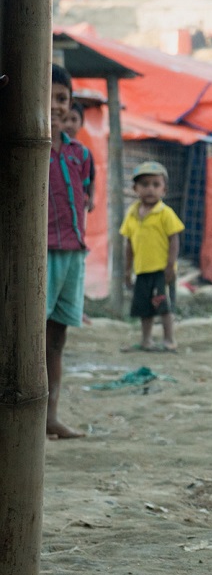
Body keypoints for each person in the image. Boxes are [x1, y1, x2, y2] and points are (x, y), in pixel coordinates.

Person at [46, 64, 94, 440]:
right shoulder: (22, 143)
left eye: (62, 98)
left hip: (73, 253)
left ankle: (50, 414)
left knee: (57, 337)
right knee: (26, 335)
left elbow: (86, 196)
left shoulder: (80, 153)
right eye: (47, 95)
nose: (55, 105)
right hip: (38, 253)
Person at [121, 161, 185, 352]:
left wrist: (170, 266)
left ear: (164, 190)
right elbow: (129, 244)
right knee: (144, 308)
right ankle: (146, 340)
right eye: (145, 184)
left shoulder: (165, 213)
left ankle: (169, 339)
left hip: (161, 271)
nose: (150, 189)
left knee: (164, 307)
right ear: (135, 188)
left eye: (156, 185)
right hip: (142, 270)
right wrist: (127, 270)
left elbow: (174, 240)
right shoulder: (131, 214)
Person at [61, 102, 96, 214]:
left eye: (74, 119)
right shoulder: (50, 150)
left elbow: (91, 179)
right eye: (64, 119)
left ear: (81, 123)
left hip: (76, 210)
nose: (69, 125)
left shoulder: (84, 153)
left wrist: (91, 198)